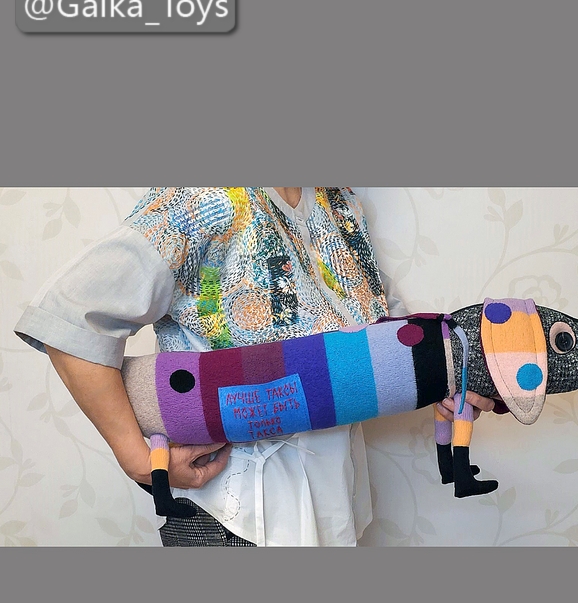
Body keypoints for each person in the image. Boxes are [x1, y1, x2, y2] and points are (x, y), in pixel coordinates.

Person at [14, 187, 495, 546]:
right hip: (235, 511)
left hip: (336, 499)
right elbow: (71, 314)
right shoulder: (205, 199)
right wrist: (135, 457)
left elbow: (383, 333)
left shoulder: (340, 205)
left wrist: (447, 379)